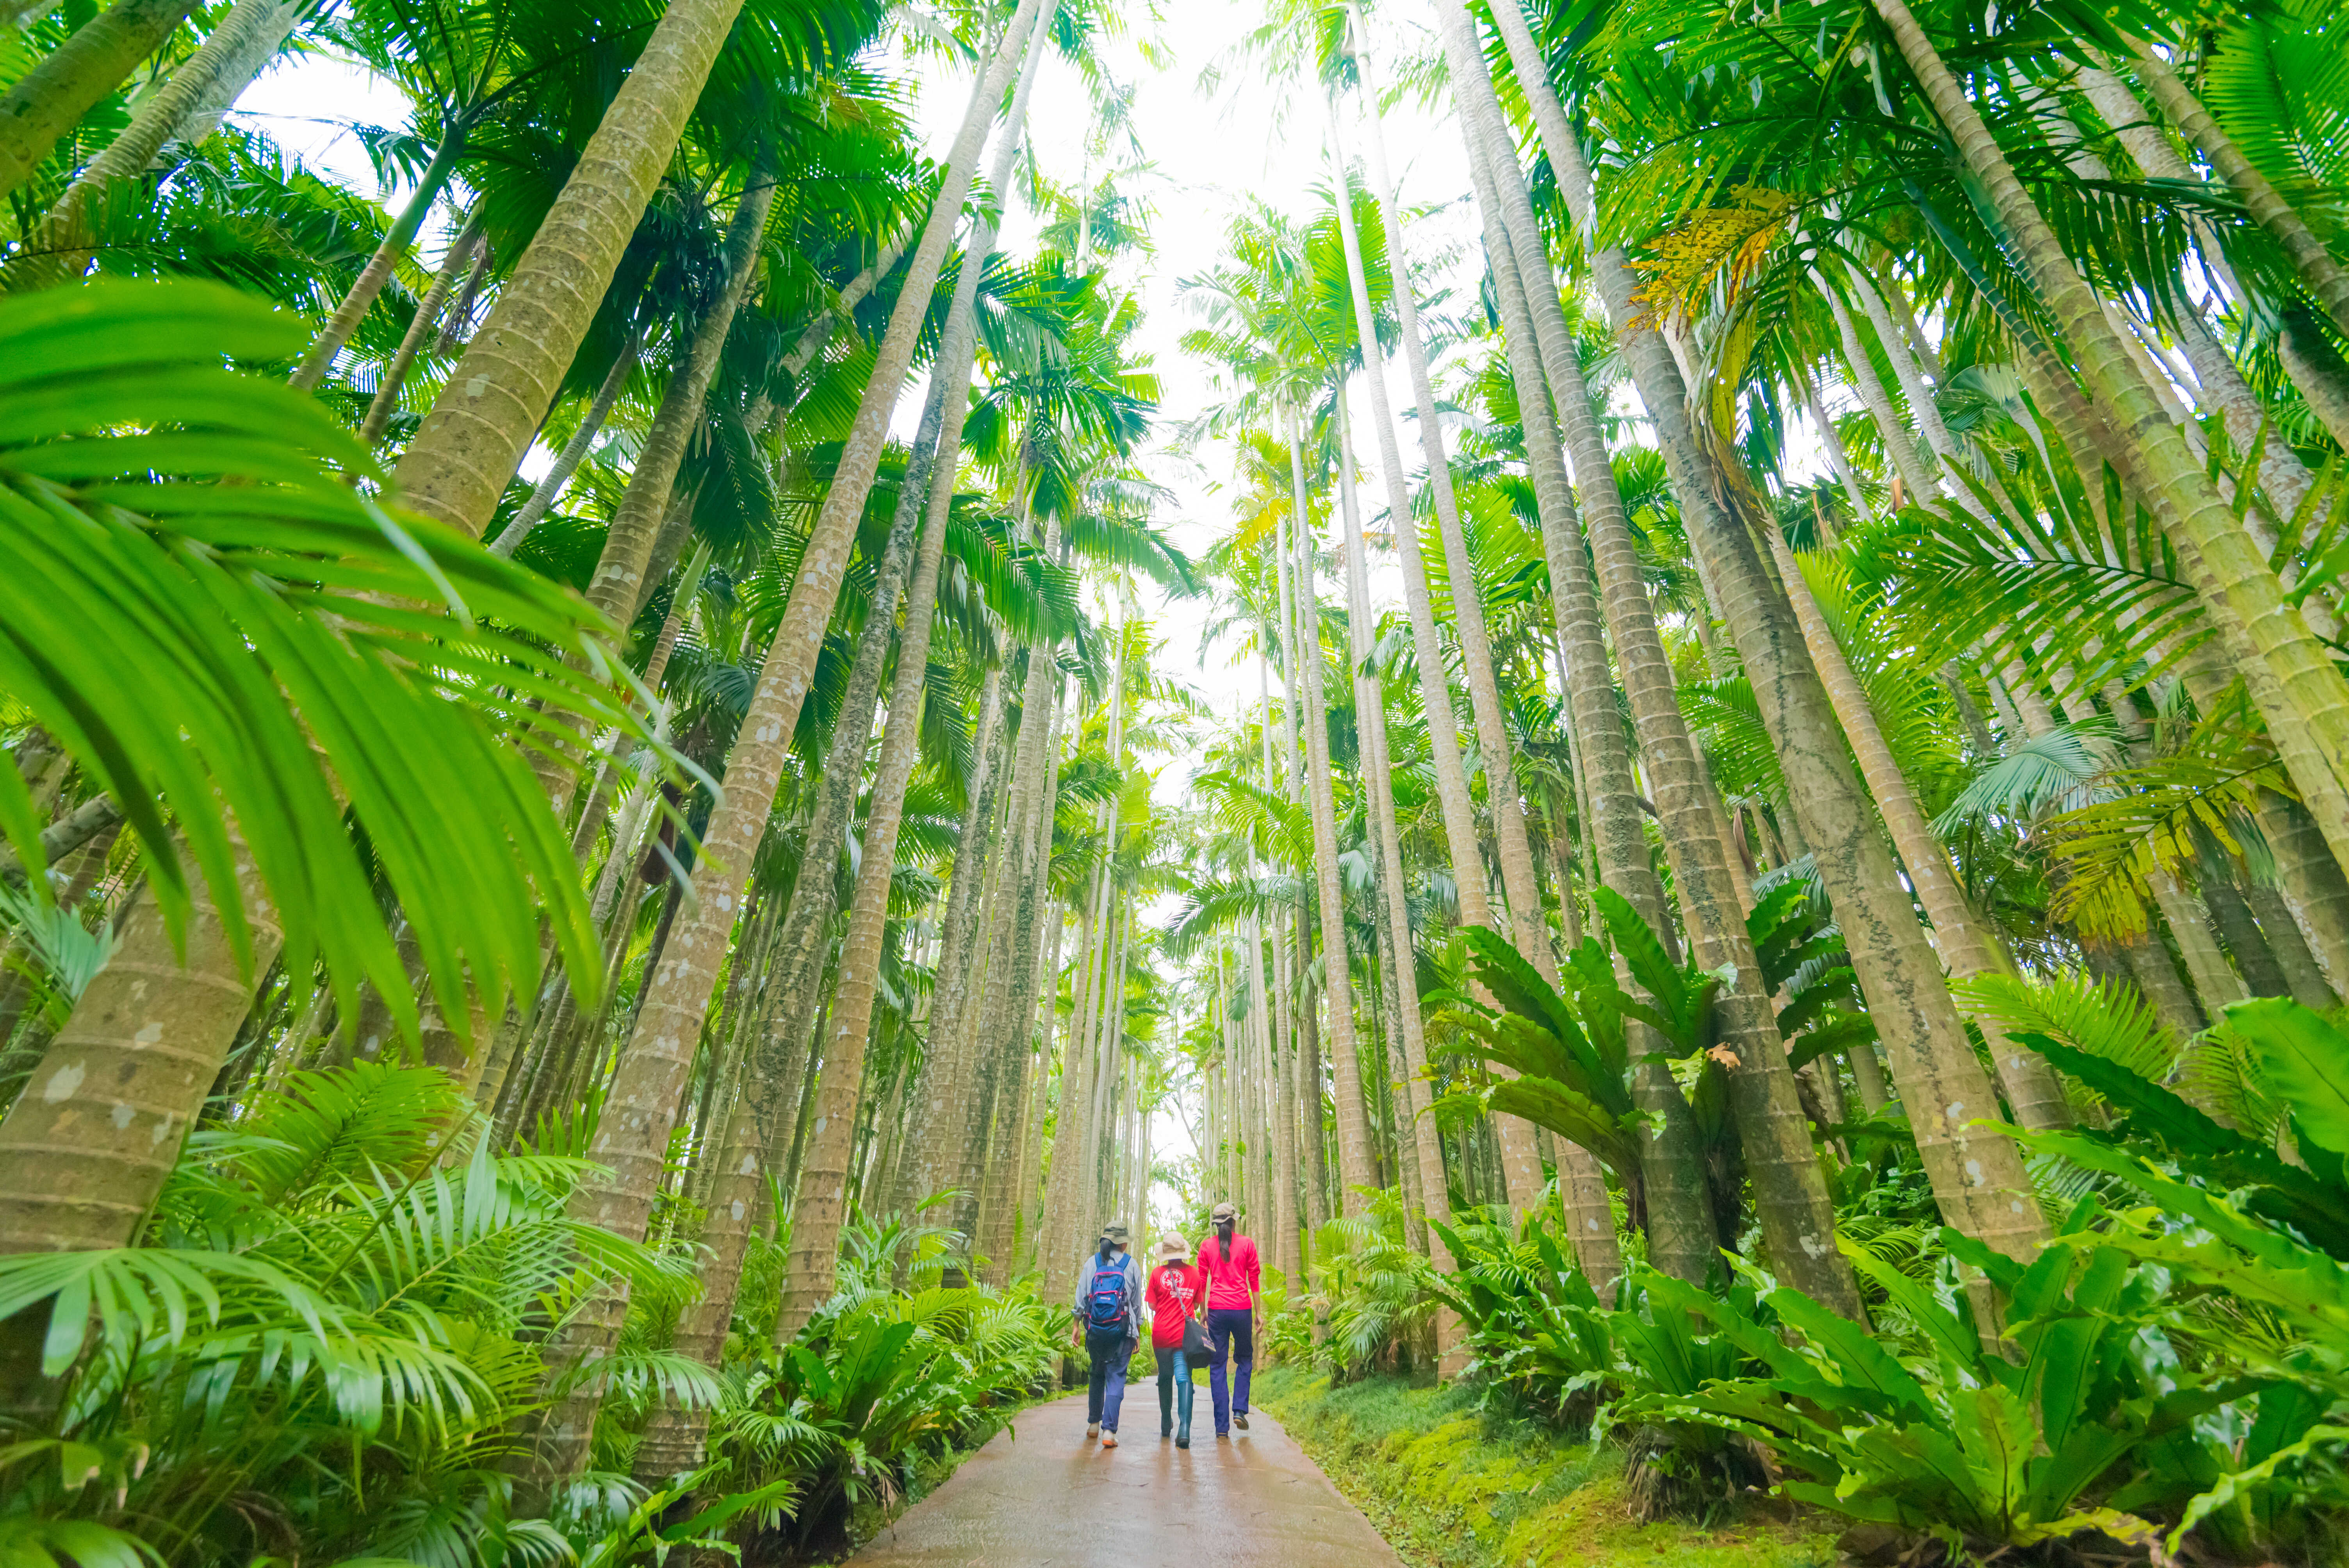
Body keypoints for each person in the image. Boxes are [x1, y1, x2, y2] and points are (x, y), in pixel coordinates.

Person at [1070, 1222, 1141, 1448]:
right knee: (1116, 1378)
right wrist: (1137, 1332)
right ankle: (1109, 1432)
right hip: (1122, 1332)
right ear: (1123, 1243)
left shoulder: (1093, 1263)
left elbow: (1082, 1296)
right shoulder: (1131, 1265)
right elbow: (1136, 1305)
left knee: (1097, 1374)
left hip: (1096, 1331)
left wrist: (1076, 1325)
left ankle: (1093, 1425)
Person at [1195, 1200, 1261, 1438]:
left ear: (1216, 1226)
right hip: (1242, 1310)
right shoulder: (1247, 1244)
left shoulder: (1206, 1247)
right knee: (1244, 1359)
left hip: (1217, 1312)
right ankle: (1240, 1411)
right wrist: (1259, 1313)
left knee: (1218, 1365)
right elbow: (1254, 1280)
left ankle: (1222, 1427)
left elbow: (1202, 1282)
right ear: (1234, 1222)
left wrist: (1203, 1311)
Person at [1144, 1233, 1206, 1449]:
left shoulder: (1156, 1274)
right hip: (1183, 1337)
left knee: (1165, 1377)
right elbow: (1198, 1306)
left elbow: (1152, 1306)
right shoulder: (1195, 1274)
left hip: (1161, 1336)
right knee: (1183, 1378)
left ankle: (1165, 1422)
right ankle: (1184, 1430)